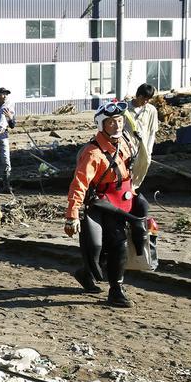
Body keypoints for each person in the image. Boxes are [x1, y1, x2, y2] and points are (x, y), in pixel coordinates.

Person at [64, 101, 140, 308]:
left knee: (117, 243)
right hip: (103, 205)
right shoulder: (92, 153)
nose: (116, 126)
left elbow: (125, 171)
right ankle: (116, 289)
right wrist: (72, 215)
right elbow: (79, 184)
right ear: (101, 125)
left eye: (119, 121)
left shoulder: (123, 142)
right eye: (111, 123)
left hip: (124, 199)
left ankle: (85, 273)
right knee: (118, 243)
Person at [125, 83, 159, 189]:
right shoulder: (125, 108)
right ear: (138, 95)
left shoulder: (151, 110)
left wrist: (149, 150)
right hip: (126, 147)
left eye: (148, 99)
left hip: (143, 148)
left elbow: (152, 131)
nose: (145, 102)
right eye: (144, 98)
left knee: (139, 171)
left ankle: (133, 190)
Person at [0, 87, 16, 193]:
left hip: (4, 136)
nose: (5, 96)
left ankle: (7, 185)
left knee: (6, 161)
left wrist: (10, 117)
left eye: (7, 94)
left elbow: (12, 125)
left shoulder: (8, 108)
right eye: (3, 94)